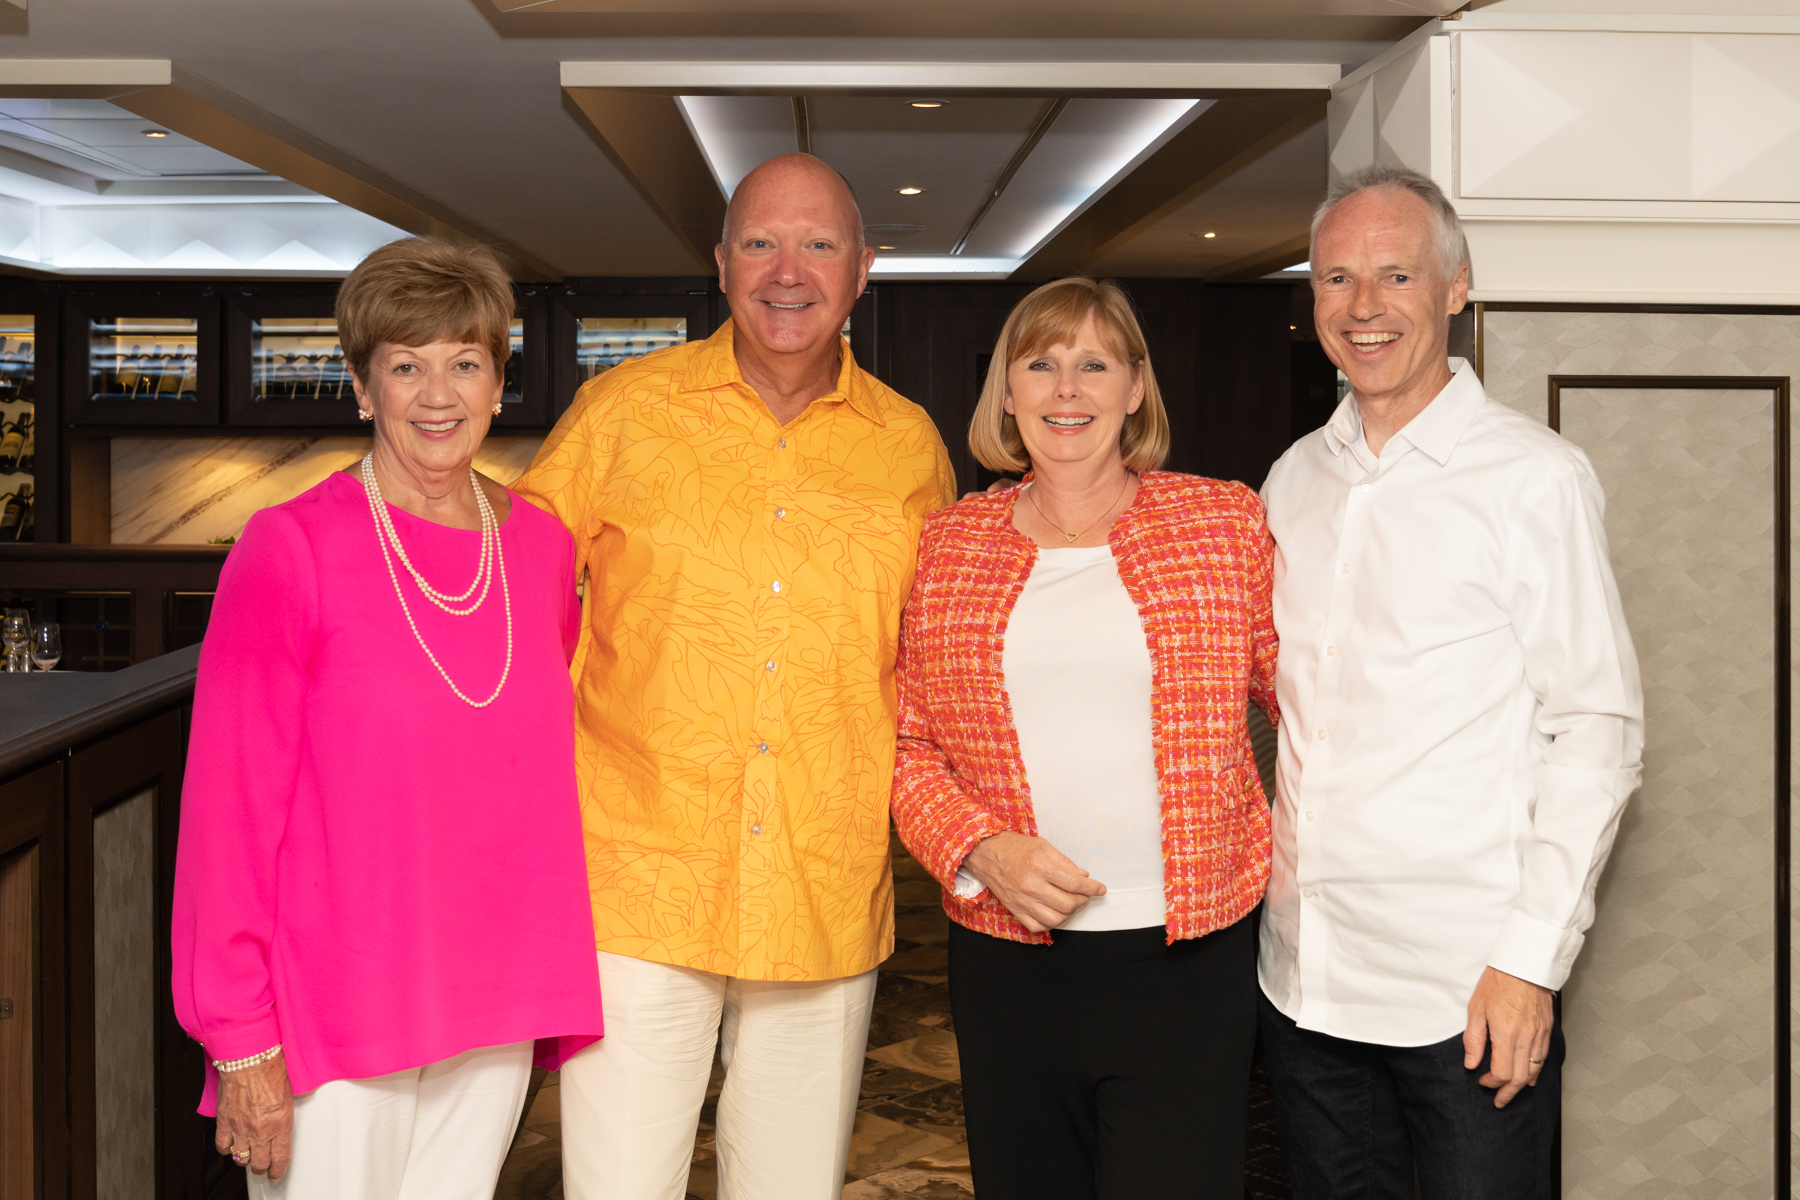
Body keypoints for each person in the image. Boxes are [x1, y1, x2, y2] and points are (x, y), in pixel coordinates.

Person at [511, 153, 956, 1200]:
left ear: (863, 268)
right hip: (637, 884)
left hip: (822, 880)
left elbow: (939, 660)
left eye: (818, 243)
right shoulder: (622, 412)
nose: (785, 270)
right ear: (720, 263)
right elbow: (509, 597)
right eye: (759, 241)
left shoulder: (909, 447)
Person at [171, 237, 602, 1198]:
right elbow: (228, 816)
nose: (438, 393)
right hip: (335, 1005)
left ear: (499, 381)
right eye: (406, 366)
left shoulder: (539, 549)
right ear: (363, 388)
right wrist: (239, 1039)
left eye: (465, 361)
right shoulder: (290, 549)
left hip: (492, 990)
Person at [1257, 164, 1644, 1198]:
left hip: (1466, 998)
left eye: (1395, 275)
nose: (1364, 307)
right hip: (1307, 991)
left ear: (1457, 288)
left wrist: (1529, 964)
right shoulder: (1292, 481)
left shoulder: (1533, 479)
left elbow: (1597, 734)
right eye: (1337, 279)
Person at [890, 276, 1279, 1200]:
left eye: (1095, 364)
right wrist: (980, 846)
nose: (1068, 391)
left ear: (1135, 387)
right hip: (1009, 959)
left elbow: (1311, 705)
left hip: (1188, 958)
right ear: (1009, 391)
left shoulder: (1222, 523)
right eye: (1042, 364)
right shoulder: (950, 543)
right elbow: (910, 748)